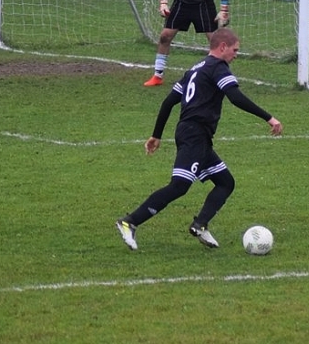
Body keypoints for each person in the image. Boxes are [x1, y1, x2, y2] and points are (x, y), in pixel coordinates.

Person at [117, 28, 283, 250]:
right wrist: (269, 118)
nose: (236, 55)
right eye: (235, 50)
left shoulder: (195, 68)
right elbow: (235, 97)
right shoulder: (218, 68)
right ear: (222, 47)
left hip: (196, 134)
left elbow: (168, 102)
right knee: (179, 186)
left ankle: (200, 224)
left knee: (225, 182)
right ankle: (129, 222)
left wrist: (156, 135)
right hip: (194, 134)